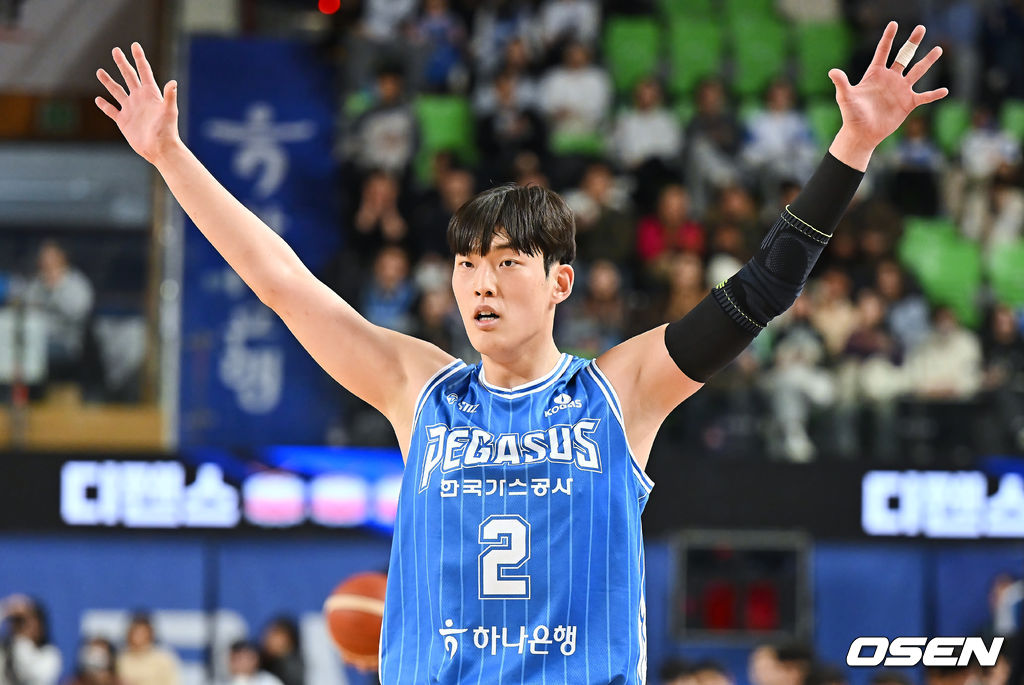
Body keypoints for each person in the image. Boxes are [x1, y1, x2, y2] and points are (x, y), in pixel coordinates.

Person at [95, 22, 947, 682]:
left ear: (559, 281)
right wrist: (169, 155)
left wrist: (852, 148)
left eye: (507, 263)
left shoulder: (619, 391)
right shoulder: (418, 388)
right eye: (467, 264)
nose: (482, 283)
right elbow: (281, 282)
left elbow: (759, 291)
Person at [22, 240, 94, 383]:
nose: (45, 262)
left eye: (49, 258)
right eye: (43, 258)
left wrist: (55, 290)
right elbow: (26, 307)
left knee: (31, 354)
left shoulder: (76, 283)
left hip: (65, 344)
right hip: (34, 340)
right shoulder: (37, 283)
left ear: (61, 258)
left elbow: (78, 313)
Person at [0, 595, 61, 685]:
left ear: (40, 625)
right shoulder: (4, 647)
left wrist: (21, 640)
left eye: (24, 621)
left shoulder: (50, 655)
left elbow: (25, 672)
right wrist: (5, 609)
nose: (20, 626)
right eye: (17, 621)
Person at [115, 614, 180, 685]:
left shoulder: (163, 659)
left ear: (151, 634)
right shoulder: (120, 658)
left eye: (142, 633)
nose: (137, 637)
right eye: (135, 632)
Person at [258, 617, 303, 685]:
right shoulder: (262, 662)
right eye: (267, 634)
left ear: (288, 639)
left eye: (275, 634)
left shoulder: (293, 668)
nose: (268, 639)